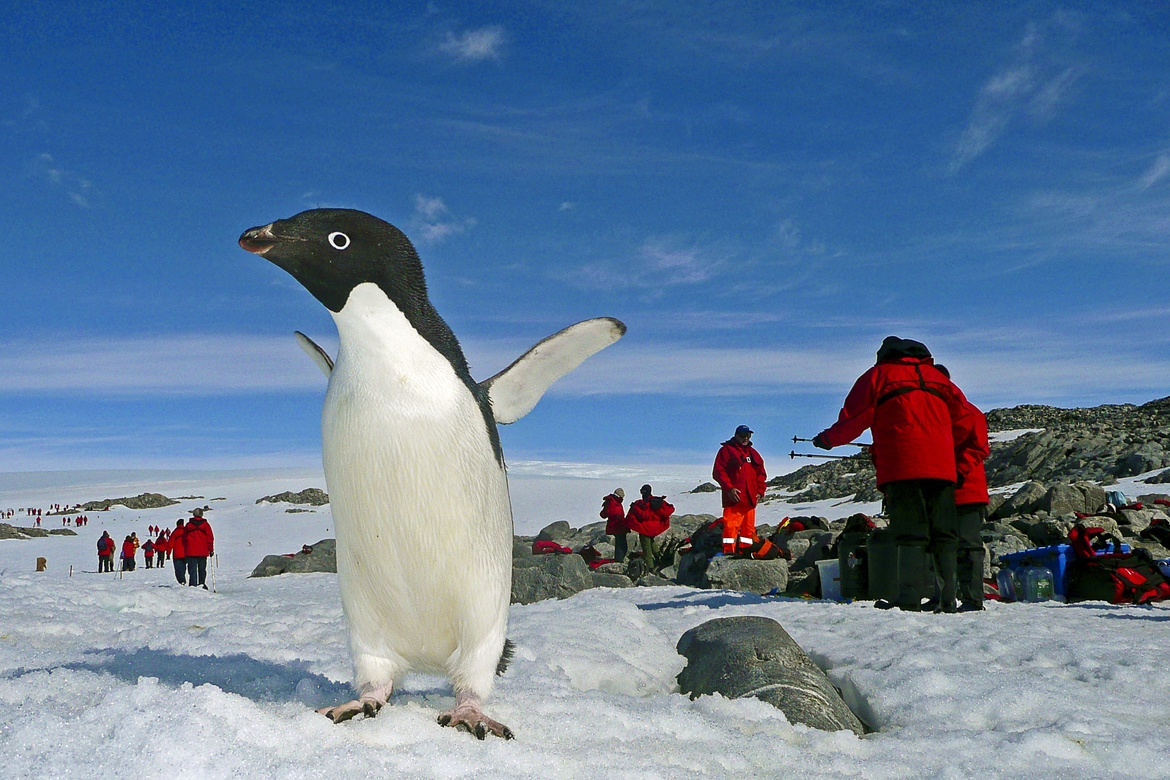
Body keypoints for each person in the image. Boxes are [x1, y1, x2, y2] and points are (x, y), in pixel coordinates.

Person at [813, 336, 975, 613]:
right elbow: (966, 421)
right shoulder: (939, 379)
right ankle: (947, 598)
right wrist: (950, 453)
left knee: (910, 531)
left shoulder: (878, 375)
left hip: (904, 463)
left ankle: (909, 599)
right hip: (943, 467)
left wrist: (827, 439)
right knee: (945, 533)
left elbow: (856, 417)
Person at [936, 365, 990, 612]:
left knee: (968, 546)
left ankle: (971, 599)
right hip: (942, 489)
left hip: (965, 489)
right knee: (940, 545)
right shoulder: (936, 413)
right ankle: (943, 597)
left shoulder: (968, 412)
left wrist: (957, 471)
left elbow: (980, 448)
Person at [712, 425, 767, 556]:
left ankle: (745, 553)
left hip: (750, 500)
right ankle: (728, 554)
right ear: (736, 435)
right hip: (734, 500)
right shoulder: (726, 451)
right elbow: (718, 472)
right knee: (730, 528)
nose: (746, 438)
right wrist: (729, 489)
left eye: (748, 436)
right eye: (743, 435)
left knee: (748, 531)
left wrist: (760, 491)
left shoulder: (753, 453)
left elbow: (761, 474)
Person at [624, 484, 674, 570]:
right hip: (655, 528)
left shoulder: (645, 503)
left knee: (646, 548)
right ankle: (659, 558)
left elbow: (645, 515)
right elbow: (668, 510)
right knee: (651, 541)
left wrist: (635, 508)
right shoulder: (657, 501)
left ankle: (650, 567)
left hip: (646, 528)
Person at [182, 508, 214, 589]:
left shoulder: (189, 525)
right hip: (203, 551)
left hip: (191, 551)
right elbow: (210, 538)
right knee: (202, 569)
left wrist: (186, 548)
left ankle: (193, 585)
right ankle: (202, 584)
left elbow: (184, 538)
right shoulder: (206, 525)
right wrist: (211, 550)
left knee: (192, 569)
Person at [600, 488, 630, 562]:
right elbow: (604, 514)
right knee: (621, 544)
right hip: (616, 526)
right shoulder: (612, 502)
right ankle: (619, 560)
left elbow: (604, 514)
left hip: (618, 525)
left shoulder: (614, 501)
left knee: (621, 544)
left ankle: (619, 559)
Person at [170, 518, 188, 585]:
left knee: (178, 569)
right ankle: (183, 579)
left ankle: (181, 581)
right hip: (185, 553)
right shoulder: (186, 531)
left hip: (177, 554)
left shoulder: (175, 532)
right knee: (183, 568)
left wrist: (168, 553)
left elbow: (170, 543)